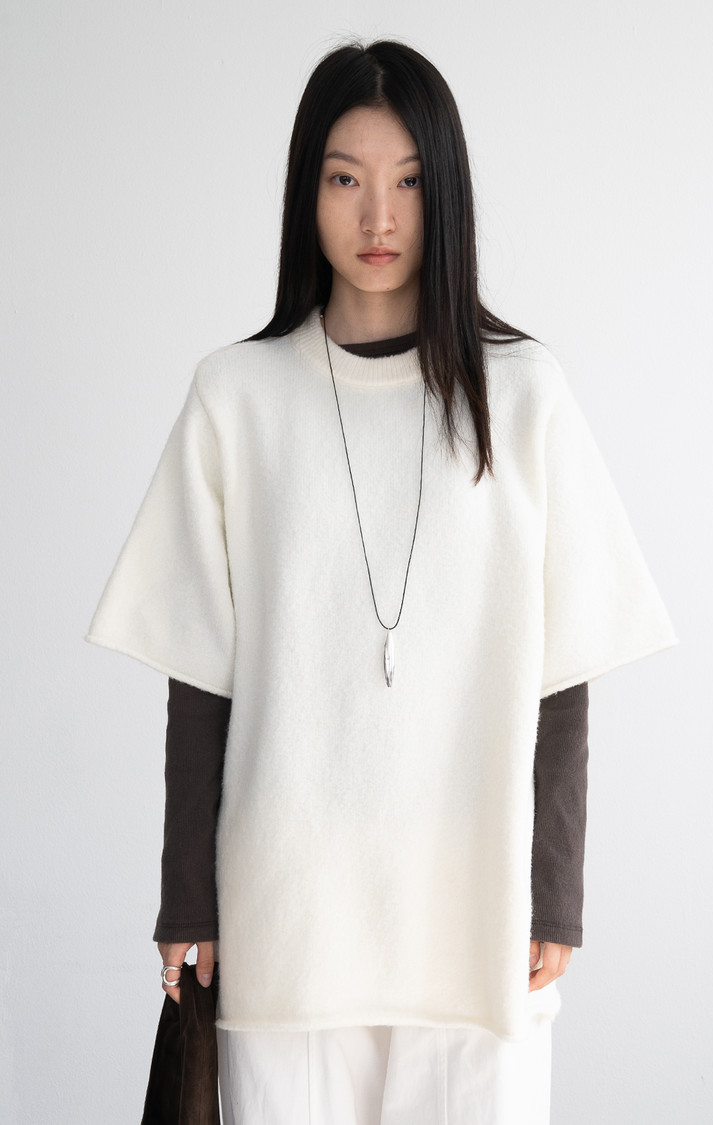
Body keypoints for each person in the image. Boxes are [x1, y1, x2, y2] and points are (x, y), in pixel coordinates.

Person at [87, 39, 676, 1124]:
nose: (377, 217)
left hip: (476, 906)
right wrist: (187, 902)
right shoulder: (236, 397)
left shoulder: (525, 395)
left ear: (444, 193)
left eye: (407, 181)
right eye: (345, 179)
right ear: (304, 193)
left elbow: (561, 668)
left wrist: (554, 893)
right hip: (288, 909)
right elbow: (200, 675)